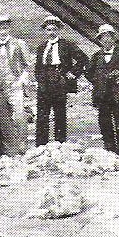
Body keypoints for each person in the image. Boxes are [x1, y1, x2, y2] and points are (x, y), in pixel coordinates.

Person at [35, 14, 88, 146]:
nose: (51, 32)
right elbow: (38, 66)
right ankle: (41, 145)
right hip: (44, 82)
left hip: (60, 80)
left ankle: (60, 143)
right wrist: (40, 78)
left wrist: (73, 73)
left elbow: (83, 59)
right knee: (42, 114)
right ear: (45, 31)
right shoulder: (41, 47)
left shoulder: (67, 44)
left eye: (54, 29)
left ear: (58, 30)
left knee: (59, 113)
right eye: (48, 29)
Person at [0, 15, 33, 156]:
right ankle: (10, 148)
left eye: (5, 28)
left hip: (15, 86)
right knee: (4, 118)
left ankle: (23, 144)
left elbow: (28, 65)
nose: (2, 31)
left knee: (19, 115)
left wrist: (20, 81)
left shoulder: (19, 44)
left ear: (9, 28)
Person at [86, 23, 119, 155]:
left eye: (108, 36)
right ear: (99, 40)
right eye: (103, 37)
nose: (106, 39)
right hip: (102, 94)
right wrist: (99, 80)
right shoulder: (96, 56)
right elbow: (88, 72)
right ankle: (109, 146)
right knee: (104, 120)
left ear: (113, 38)